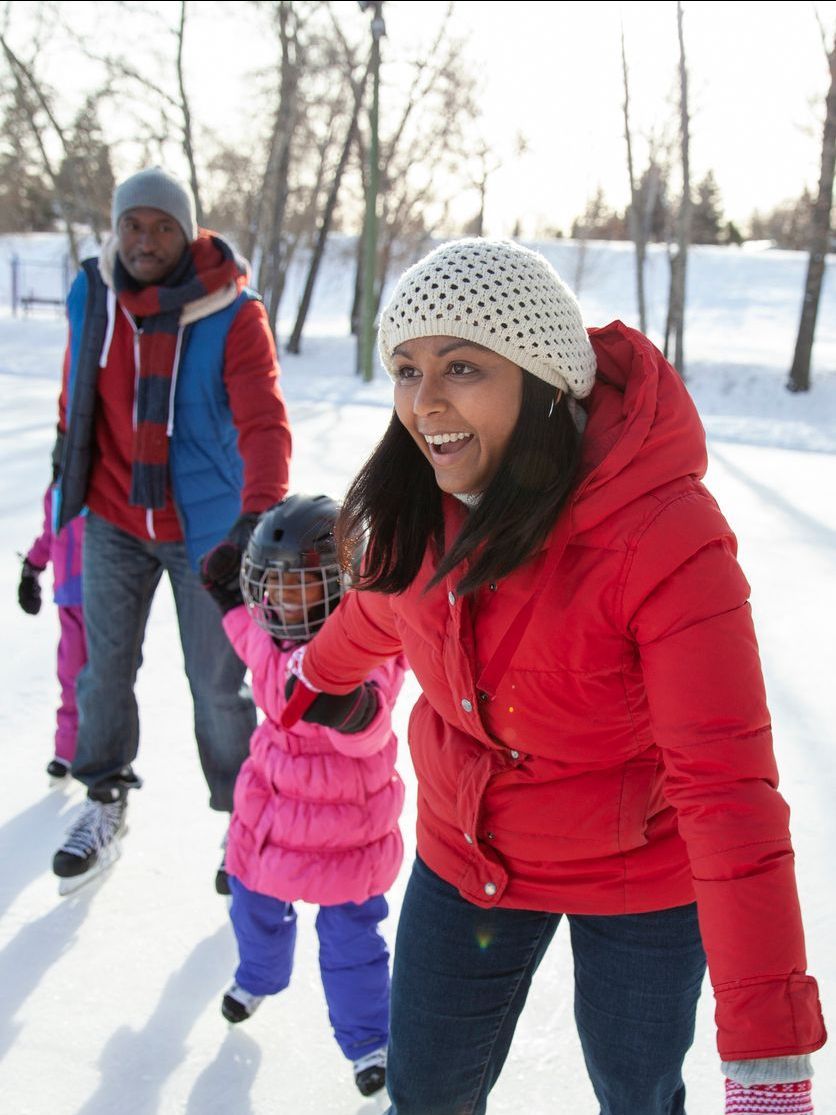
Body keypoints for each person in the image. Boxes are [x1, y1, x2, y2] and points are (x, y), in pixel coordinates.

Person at [281, 239, 827, 1115]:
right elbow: (383, 610)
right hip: (468, 857)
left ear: (542, 377)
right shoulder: (422, 511)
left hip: (638, 873)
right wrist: (316, 675)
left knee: (637, 1092)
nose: (426, 403)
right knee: (424, 1094)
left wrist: (769, 1060)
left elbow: (727, 790)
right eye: (406, 368)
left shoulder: (664, 535)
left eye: (462, 365)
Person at [50, 166, 292, 894]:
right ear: (115, 229)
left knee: (217, 687)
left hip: (207, 529)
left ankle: (242, 816)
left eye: (162, 227)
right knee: (103, 671)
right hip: (115, 515)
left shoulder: (231, 311)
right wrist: (62, 497)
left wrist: (258, 513)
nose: (145, 240)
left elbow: (264, 422)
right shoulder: (94, 295)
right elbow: (75, 400)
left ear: (187, 233)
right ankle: (103, 796)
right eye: (133, 225)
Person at [199, 493, 406, 1098]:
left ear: (340, 585)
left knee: (351, 947)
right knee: (251, 906)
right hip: (269, 809)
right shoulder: (271, 631)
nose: (281, 603)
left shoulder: (367, 646)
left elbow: (374, 724)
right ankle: (258, 977)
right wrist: (228, 602)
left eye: (299, 590)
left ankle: (369, 1040)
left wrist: (353, 708)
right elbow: (252, 644)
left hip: (345, 826)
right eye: (271, 589)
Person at [18, 480, 86, 780]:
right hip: (69, 600)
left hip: (104, 597)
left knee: (104, 679)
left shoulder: (103, 484)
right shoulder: (57, 488)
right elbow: (50, 533)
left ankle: (103, 753)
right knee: (70, 674)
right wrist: (32, 568)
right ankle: (67, 750)